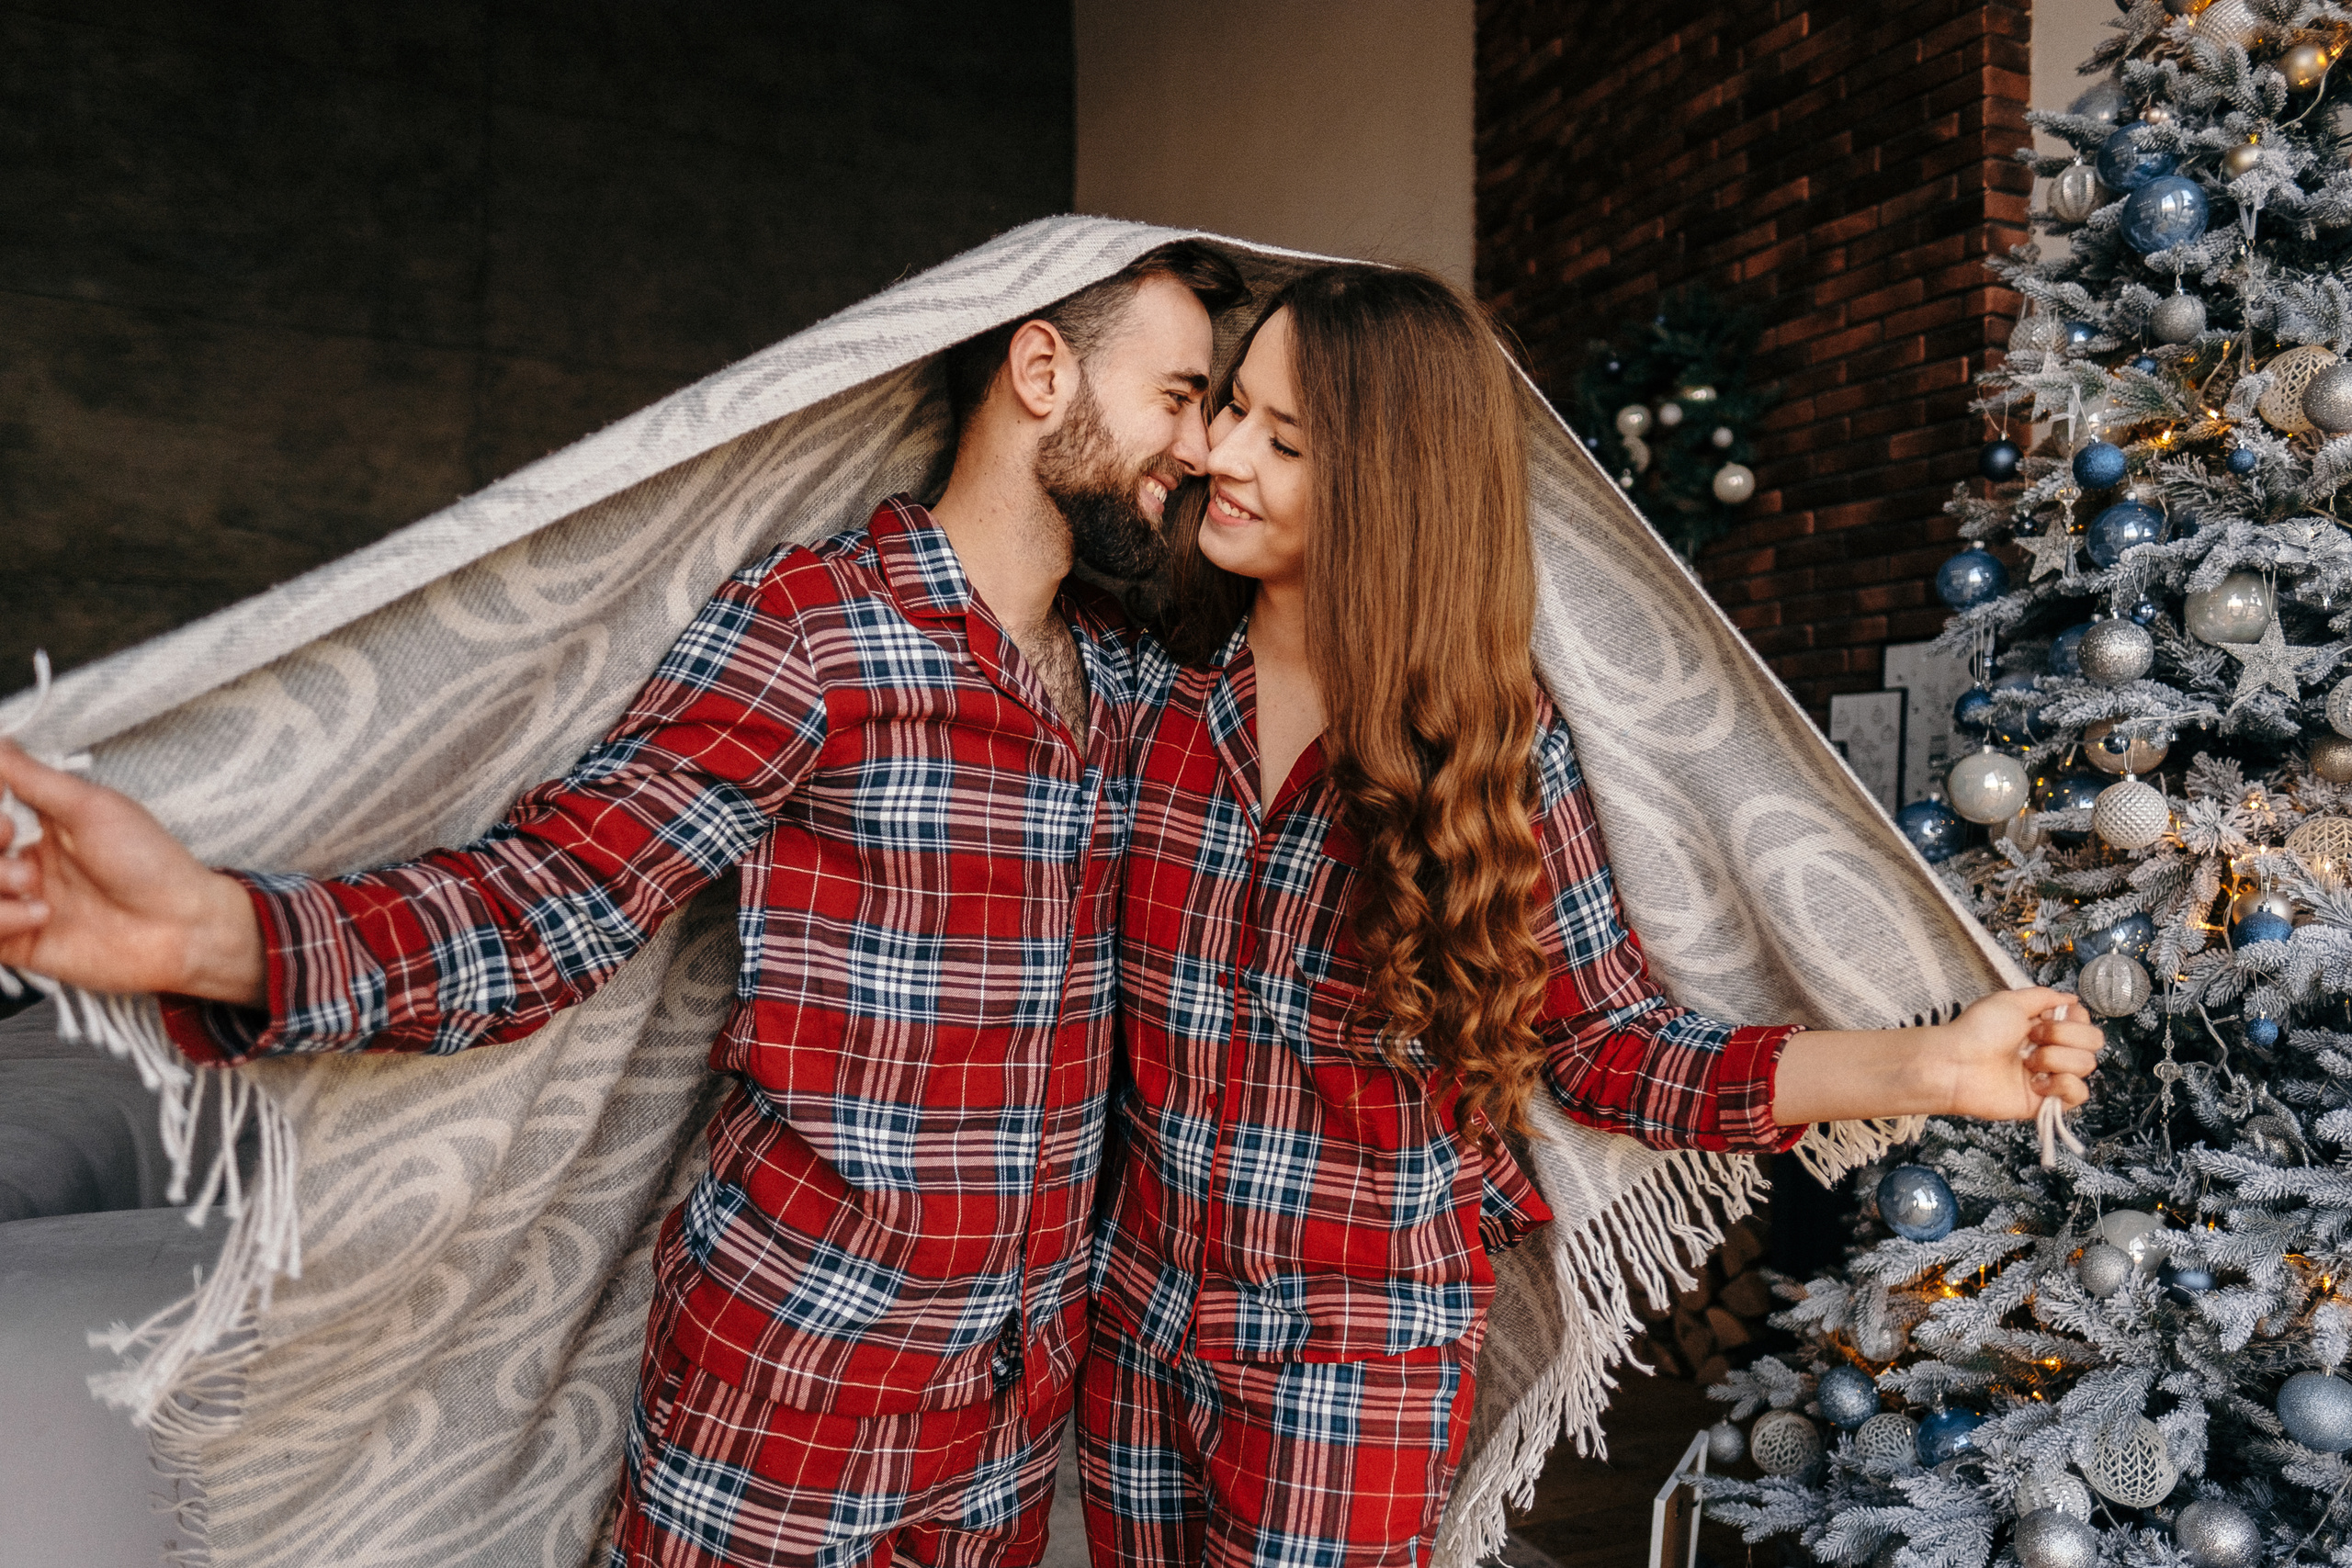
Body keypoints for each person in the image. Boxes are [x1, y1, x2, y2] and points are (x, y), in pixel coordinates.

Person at [0, 241, 1248, 1568]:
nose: (1200, 448)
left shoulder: (1127, 684)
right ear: (1043, 371)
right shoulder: (819, 631)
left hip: (1005, 1428)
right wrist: (218, 933)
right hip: (791, 1405)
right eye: (1178, 397)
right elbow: (551, 901)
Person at [1078, 264, 2106, 1568]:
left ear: (1393, 487)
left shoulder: (1491, 753)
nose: (1221, 455)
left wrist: (1931, 1067)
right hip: (1135, 1333)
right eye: (1231, 407)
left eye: (1284, 441)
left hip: (1349, 1362)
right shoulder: (1146, 704)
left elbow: (1610, 1049)